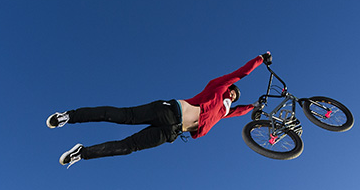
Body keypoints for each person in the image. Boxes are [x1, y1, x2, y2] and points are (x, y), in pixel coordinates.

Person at [48, 52, 272, 168]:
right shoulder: (218, 87)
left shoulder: (223, 112)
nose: (233, 96)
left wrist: (255, 106)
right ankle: (70, 116)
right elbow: (241, 73)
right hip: (168, 111)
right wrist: (260, 59)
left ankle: (82, 153)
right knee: (119, 116)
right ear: (229, 89)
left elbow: (239, 112)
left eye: (235, 97)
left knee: (128, 147)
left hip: (171, 133)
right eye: (233, 92)